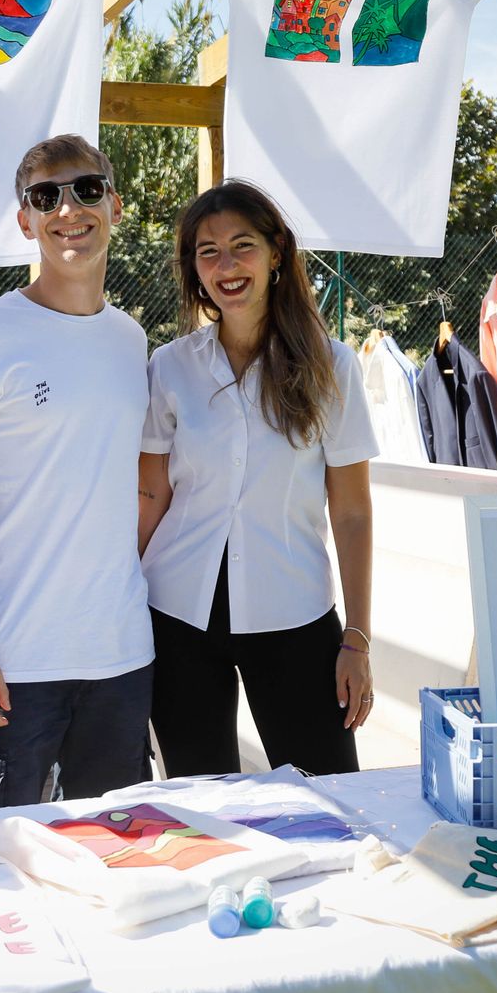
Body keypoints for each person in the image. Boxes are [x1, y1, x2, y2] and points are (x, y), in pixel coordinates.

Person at [0, 134, 154, 809]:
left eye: (85, 189)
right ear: (26, 220)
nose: (67, 208)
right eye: (45, 196)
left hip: (120, 659)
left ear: (114, 204)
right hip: (8, 666)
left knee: (113, 872)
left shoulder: (132, 340)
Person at [137, 180, 379, 777]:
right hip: (178, 616)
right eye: (207, 251)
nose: (226, 265)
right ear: (194, 269)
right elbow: (151, 495)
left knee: (328, 797)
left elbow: (351, 513)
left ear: (276, 253)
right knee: (201, 805)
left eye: (241, 245)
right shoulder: (169, 367)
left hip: (295, 616)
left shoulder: (333, 367)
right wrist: (123, 610)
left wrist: (357, 639)